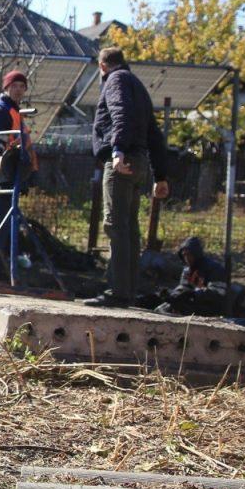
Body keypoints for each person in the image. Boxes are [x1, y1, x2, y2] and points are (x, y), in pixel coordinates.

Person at [87, 47, 170, 307]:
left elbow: (119, 112)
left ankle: (118, 292)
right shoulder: (139, 87)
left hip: (122, 161)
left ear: (102, 66)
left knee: (115, 225)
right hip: (141, 161)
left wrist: (117, 150)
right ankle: (128, 290)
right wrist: (161, 175)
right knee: (130, 228)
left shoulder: (115, 80)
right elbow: (154, 134)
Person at [0, 71, 35, 280]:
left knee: (5, 225)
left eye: (22, 86)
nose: (19, 89)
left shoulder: (14, 112)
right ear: (6, 88)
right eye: (15, 85)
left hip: (9, 175)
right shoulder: (2, 111)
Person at [156, 235, 228, 316]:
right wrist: (172, 295)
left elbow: (217, 293)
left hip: (211, 308)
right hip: (194, 304)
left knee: (177, 310)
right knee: (161, 309)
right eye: (184, 255)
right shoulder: (188, 269)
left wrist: (192, 294)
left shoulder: (215, 268)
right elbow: (184, 287)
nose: (186, 258)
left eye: (189, 254)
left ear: (196, 254)